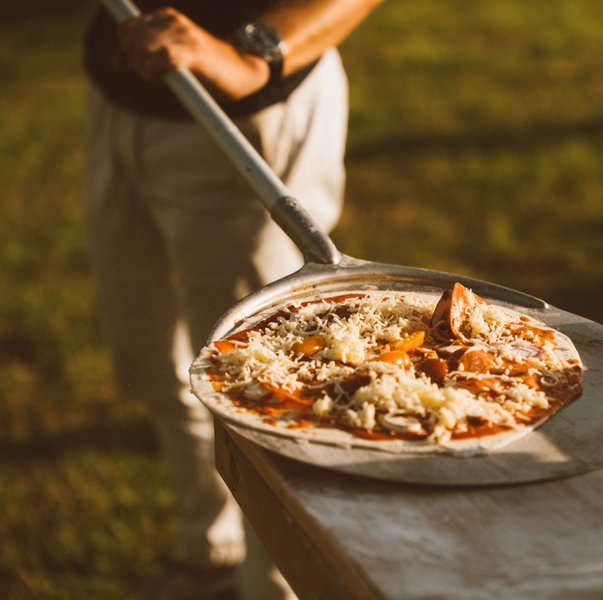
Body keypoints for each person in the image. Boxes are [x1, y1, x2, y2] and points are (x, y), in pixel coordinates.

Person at [81, 1, 382, 598]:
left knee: (270, 393)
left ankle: (274, 588)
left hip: (243, 114)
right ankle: (208, 554)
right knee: (152, 360)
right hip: (121, 92)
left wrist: (258, 54)